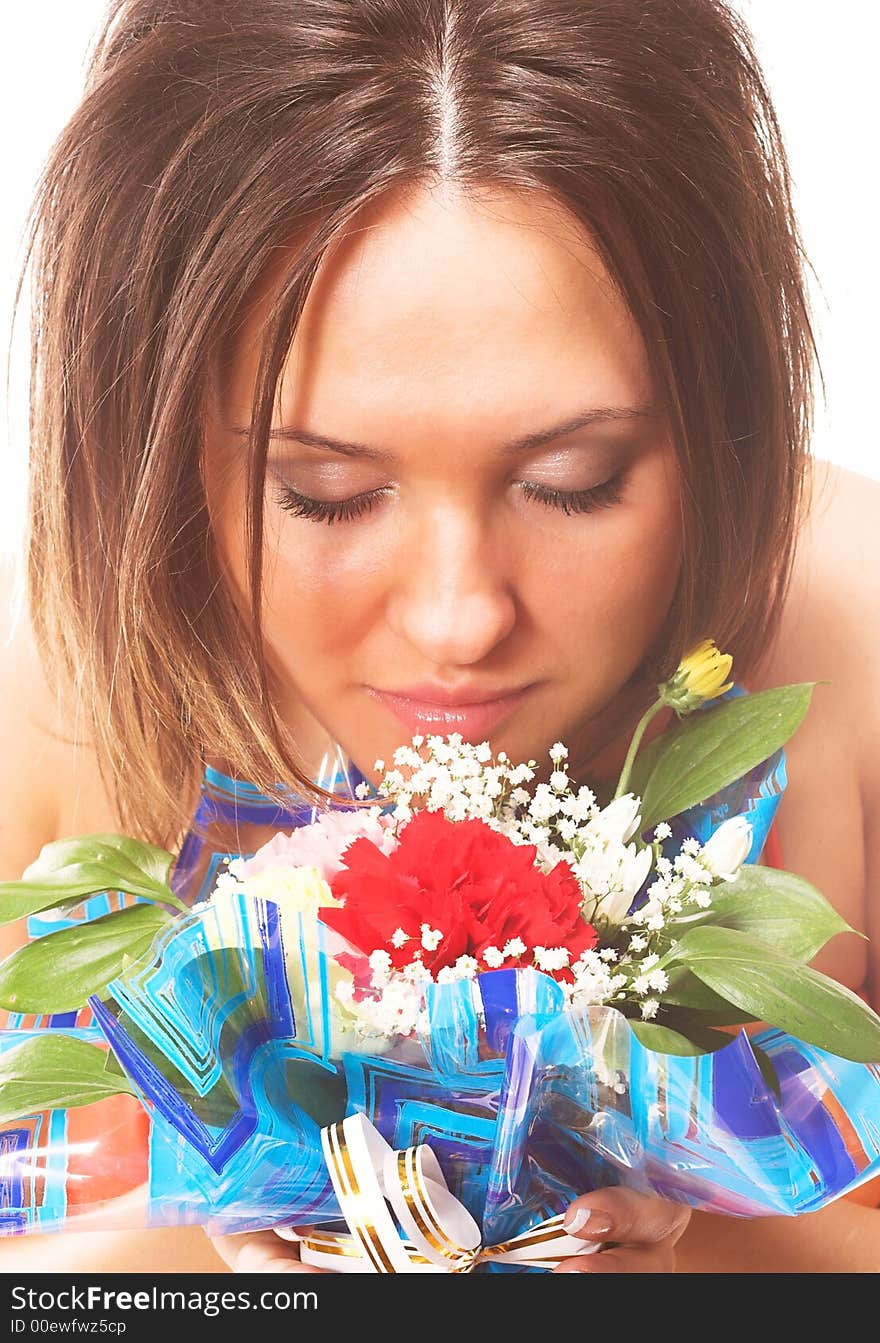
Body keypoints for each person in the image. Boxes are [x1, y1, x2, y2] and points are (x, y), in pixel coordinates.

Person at [1, 0, 877, 1274]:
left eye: (572, 478)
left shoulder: (849, 625)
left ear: (719, 407)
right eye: (325, 494)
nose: (460, 617)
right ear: (158, 434)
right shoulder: (52, 674)